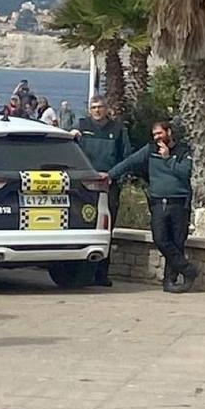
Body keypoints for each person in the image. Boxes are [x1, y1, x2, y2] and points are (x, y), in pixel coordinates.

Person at [107, 121, 198, 293]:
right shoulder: (150, 150)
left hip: (179, 202)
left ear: (168, 132)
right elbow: (129, 162)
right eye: (154, 134)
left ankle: (169, 281)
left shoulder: (183, 151)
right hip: (158, 202)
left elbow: (185, 173)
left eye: (159, 133)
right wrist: (110, 175)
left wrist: (168, 159)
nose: (157, 138)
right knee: (160, 239)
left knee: (177, 242)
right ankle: (188, 270)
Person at [75, 97, 131, 287]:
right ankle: (81, 274)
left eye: (100, 107)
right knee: (84, 227)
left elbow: (126, 158)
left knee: (106, 229)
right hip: (84, 186)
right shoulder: (81, 127)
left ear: (107, 109)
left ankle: (101, 274)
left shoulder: (118, 129)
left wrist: (112, 175)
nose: (97, 110)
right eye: (94, 107)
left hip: (109, 186)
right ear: (89, 110)